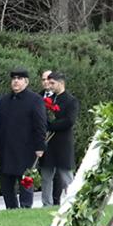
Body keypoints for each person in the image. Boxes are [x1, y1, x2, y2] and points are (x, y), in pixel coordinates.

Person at [0, 68, 47, 209]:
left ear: (26, 82)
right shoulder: (4, 100)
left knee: (25, 181)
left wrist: (40, 146)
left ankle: (25, 207)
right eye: (14, 78)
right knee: (6, 183)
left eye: (19, 79)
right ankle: (11, 208)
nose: (16, 81)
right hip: (6, 149)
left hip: (26, 149)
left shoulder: (35, 100)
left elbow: (40, 125)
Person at [41, 71, 80, 206]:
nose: (49, 86)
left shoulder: (71, 100)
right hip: (49, 143)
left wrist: (51, 125)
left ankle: (73, 203)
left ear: (61, 83)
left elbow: (69, 121)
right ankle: (46, 204)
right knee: (46, 176)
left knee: (66, 176)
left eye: (52, 83)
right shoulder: (48, 100)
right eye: (48, 82)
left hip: (63, 143)